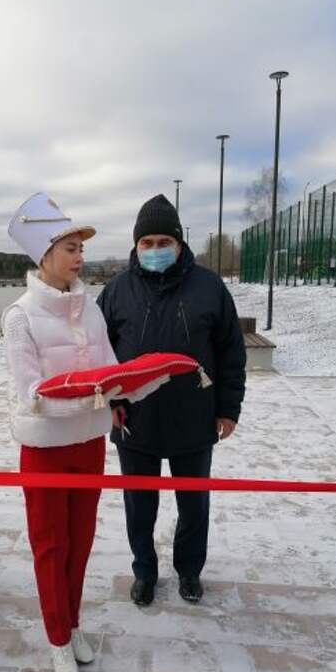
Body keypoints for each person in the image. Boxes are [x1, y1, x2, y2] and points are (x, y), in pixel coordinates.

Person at [3, 192, 160, 672]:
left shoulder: (89, 308)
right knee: (51, 546)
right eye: (70, 248)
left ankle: (72, 625)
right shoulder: (19, 316)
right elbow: (29, 395)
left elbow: (110, 369)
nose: (79, 257)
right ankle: (57, 638)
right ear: (44, 254)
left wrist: (139, 382)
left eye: (81, 249)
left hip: (89, 444)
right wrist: (93, 399)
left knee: (82, 541)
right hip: (45, 450)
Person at [98, 194, 246, 607]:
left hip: (194, 419)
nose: (155, 249)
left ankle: (189, 571)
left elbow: (231, 352)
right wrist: (110, 403)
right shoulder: (116, 291)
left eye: (164, 241)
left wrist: (228, 409)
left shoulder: (209, 287)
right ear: (136, 246)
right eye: (147, 242)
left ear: (179, 243)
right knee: (139, 507)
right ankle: (144, 572)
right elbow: (97, 355)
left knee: (194, 505)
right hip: (134, 420)